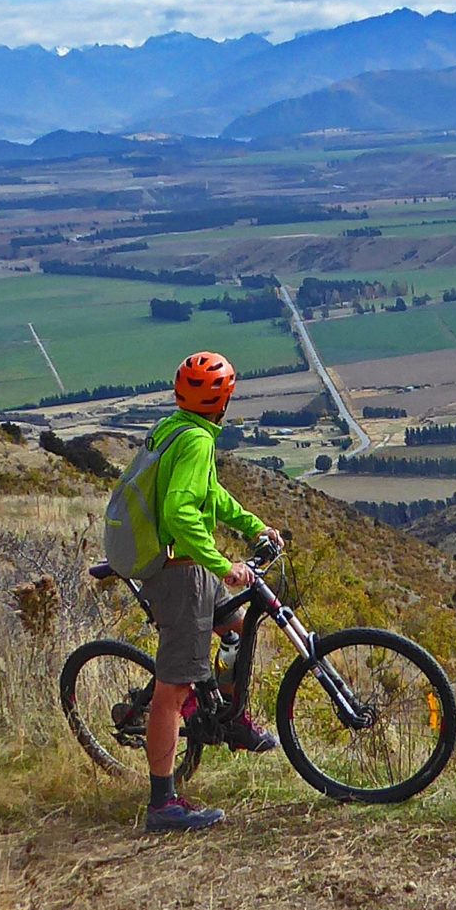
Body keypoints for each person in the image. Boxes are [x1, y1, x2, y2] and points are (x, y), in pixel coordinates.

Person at [141, 350, 284, 834]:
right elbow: (182, 511)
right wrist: (225, 566)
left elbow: (212, 496)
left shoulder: (178, 428)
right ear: (222, 401)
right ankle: (162, 804)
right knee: (173, 685)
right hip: (178, 572)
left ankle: (231, 720)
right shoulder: (196, 441)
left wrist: (253, 525)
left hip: (189, 565)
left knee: (236, 629)